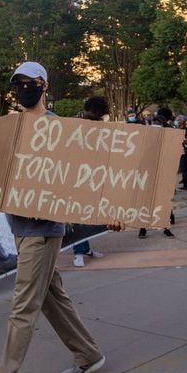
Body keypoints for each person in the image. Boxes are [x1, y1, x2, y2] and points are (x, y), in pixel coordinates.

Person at [0, 61, 120, 373]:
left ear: (44, 86)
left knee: (23, 307)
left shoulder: (57, 129)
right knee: (52, 298)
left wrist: (109, 211)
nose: (22, 88)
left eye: (29, 83)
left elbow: (85, 173)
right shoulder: (12, 127)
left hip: (43, 229)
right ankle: (89, 354)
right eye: (17, 83)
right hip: (19, 226)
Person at [72, 96, 108, 267]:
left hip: (92, 176)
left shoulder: (99, 126)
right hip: (76, 176)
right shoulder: (74, 125)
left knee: (86, 215)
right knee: (78, 215)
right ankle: (78, 252)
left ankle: (85, 248)